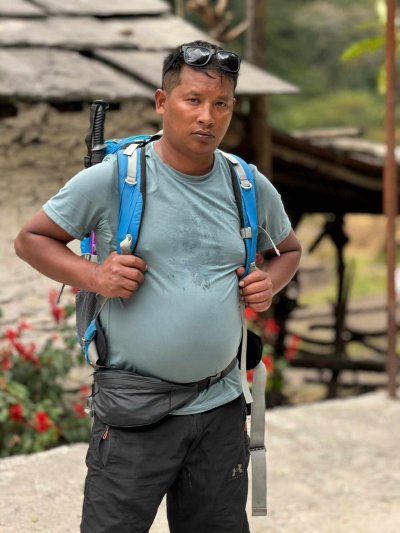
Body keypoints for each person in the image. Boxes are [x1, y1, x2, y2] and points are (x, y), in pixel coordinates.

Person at [14, 40, 301, 533]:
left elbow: (288, 250)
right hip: (134, 414)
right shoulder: (115, 178)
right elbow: (31, 240)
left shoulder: (246, 184)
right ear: (162, 102)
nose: (207, 116)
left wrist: (268, 283)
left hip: (220, 407)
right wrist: (95, 276)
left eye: (221, 103)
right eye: (193, 100)